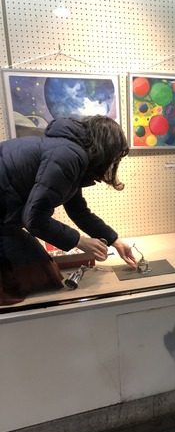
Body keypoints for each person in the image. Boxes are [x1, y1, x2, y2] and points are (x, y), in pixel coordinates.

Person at [0, 115, 138, 306]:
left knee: (43, 276)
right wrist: (80, 241)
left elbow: (78, 210)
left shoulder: (70, 152)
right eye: (114, 156)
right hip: (4, 221)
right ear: (106, 148)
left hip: (5, 219)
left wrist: (114, 240)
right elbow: (34, 218)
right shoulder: (68, 156)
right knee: (22, 284)